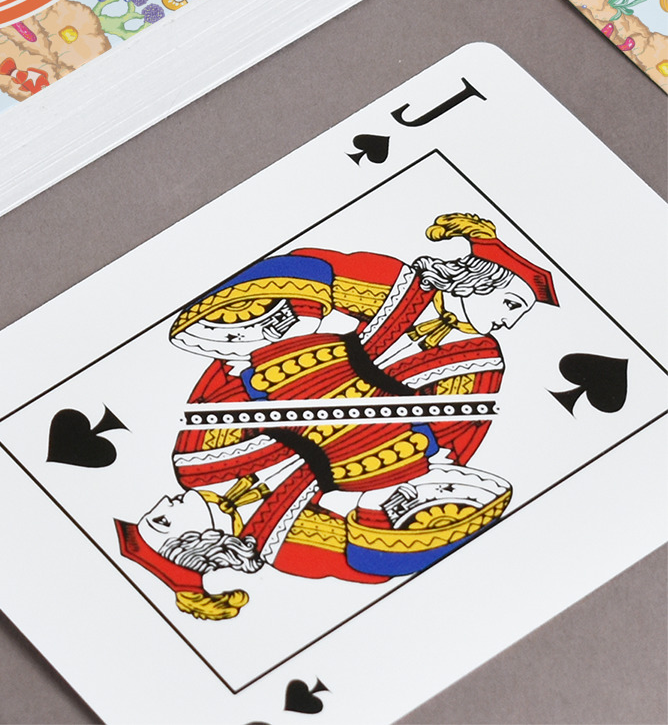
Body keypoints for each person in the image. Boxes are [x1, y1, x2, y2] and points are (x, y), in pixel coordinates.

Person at [116, 213, 556, 617]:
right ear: (478, 281)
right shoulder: (280, 545)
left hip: (325, 396)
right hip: (347, 428)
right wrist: (411, 499)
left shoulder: (192, 464)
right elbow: (366, 556)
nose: (510, 323)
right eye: (511, 305)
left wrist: (273, 334)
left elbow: (219, 396)